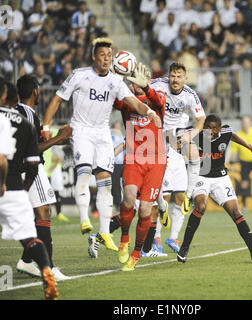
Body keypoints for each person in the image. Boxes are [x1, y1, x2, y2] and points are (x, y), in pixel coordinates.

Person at [41, 38, 162, 254]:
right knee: (85, 174)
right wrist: (46, 125)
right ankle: (84, 220)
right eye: (103, 55)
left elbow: (133, 102)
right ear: (94, 57)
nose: (106, 58)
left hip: (102, 132)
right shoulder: (79, 75)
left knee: (105, 182)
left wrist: (150, 112)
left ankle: (105, 233)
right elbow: (58, 99)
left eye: (109, 55)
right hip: (82, 130)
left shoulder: (116, 82)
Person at [88, 63, 167, 271]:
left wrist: (147, 88)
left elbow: (158, 102)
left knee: (145, 210)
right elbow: (108, 98)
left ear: (148, 81)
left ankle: (136, 254)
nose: (136, 86)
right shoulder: (126, 102)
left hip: (156, 162)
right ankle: (124, 240)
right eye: (133, 82)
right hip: (133, 159)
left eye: (140, 82)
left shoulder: (157, 100)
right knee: (128, 199)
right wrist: (113, 79)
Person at [177, 114, 252, 264]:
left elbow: (232, 135)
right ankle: (184, 248)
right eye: (208, 127)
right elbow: (176, 138)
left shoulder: (225, 133)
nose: (211, 131)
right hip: (201, 176)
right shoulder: (196, 134)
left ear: (219, 128)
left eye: (214, 128)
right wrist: (178, 143)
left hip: (221, 178)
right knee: (200, 206)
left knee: (235, 212)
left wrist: (250, 147)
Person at [0, 79, 58, 300]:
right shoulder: (23, 120)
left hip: (10, 182)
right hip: (12, 187)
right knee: (31, 232)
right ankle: (47, 269)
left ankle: (28, 264)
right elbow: (11, 160)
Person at [15, 75, 72, 281]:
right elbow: (29, 150)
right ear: (35, 91)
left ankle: (27, 261)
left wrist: (60, 139)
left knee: (38, 216)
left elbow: (37, 142)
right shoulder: (27, 114)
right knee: (44, 213)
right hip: (30, 168)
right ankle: (50, 267)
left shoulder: (21, 114)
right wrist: (59, 137)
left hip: (22, 169)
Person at [149, 62, 206, 254]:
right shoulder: (157, 85)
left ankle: (173, 237)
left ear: (185, 78)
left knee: (181, 197)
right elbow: (141, 89)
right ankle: (155, 239)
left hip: (175, 149)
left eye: (179, 76)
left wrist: (192, 135)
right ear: (169, 76)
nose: (175, 79)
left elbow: (201, 119)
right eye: (173, 75)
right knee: (162, 197)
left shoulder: (190, 95)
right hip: (157, 142)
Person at [44, 126, 69, 222]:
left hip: (54, 169)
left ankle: (59, 213)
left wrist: (54, 165)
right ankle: (46, 214)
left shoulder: (55, 133)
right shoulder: (40, 132)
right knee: (46, 194)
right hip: (44, 168)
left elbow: (60, 155)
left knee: (56, 191)